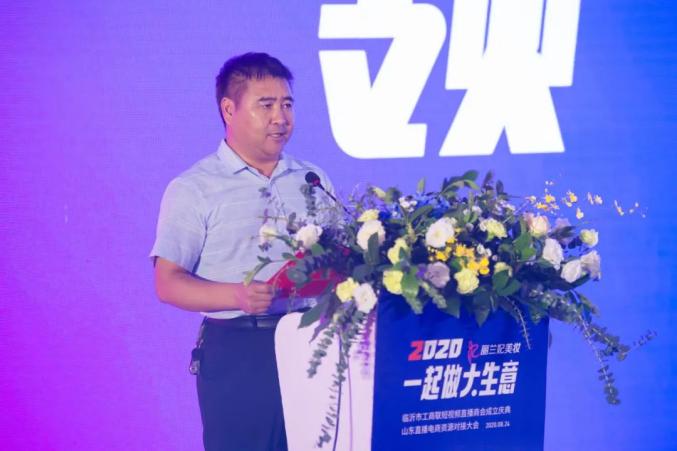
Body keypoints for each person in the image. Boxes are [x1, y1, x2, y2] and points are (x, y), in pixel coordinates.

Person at [150, 52, 335, 451]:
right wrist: (237, 295)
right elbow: (167, 283)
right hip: (240, 350)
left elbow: (337, 258)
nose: (280, 118)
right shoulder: (194, 188)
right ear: (229, 110)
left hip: (314, 345)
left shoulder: (312, 178)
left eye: (287, 105)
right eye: (266, 105)